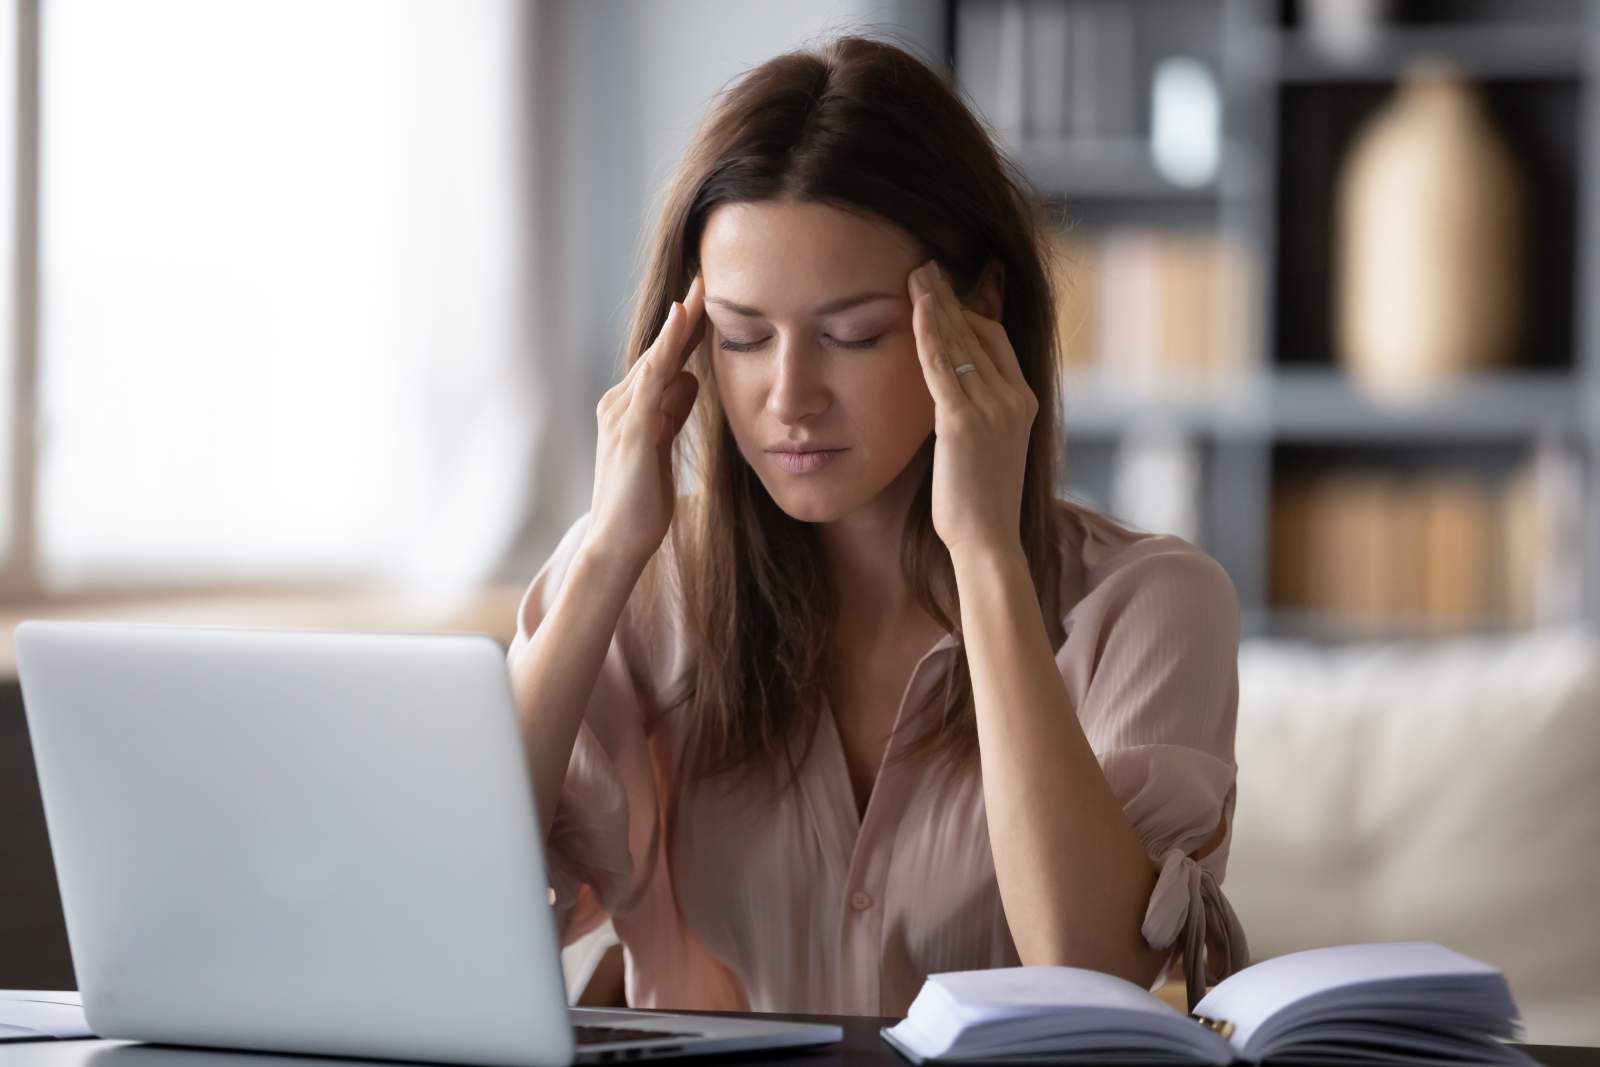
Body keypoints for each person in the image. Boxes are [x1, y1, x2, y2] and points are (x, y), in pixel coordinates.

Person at [505, 32, 1248, 1018]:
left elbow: (1087, 965)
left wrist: (985, 556)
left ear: (979, 311)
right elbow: (447, 898)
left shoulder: (1149, 604)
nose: (788, 397)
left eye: (851, 334)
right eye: (740, 336)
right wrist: (603, 554)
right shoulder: (641, 587)